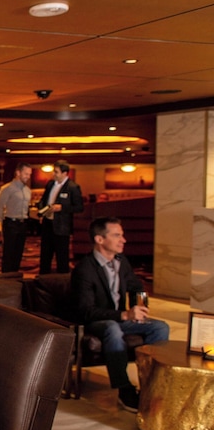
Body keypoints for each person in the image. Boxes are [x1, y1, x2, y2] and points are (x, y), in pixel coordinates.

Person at [71, 217, 169, 411]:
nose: (123, 240)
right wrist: (124, 315)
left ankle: (150, 383)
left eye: (122, 235)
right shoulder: (85, 269)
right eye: (117, 235)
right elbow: (86, 311)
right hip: (95, 321)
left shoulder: (121, 261)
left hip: (119, 318)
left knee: (160, 327)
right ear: (100, 239)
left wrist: (140, 306)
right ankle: (124, 388)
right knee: (112, 328)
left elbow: (136, 286)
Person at [37, 160, 84, 275]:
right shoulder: (50, 184)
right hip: (47, 224)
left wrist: (62, 207)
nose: (53, 174)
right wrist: (42, 212)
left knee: (62, 258)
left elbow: (79, 207)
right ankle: (43, 280)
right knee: (45, 256)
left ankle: (62, 282)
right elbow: (43, 200)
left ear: (65, 173)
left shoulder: (73, 187)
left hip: (62, 228)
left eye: (56, 172)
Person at [0, 162, 32, 273]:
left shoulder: (28, 190)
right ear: (18, 173)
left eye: (29, 174)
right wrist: (2, 224)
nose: (28, 177)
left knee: (18, 252)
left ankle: (15, 275)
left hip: (23, 224)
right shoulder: (7, 188)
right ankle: (6, 277)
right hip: (11, 223)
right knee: (8, 253)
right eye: (26, 174)